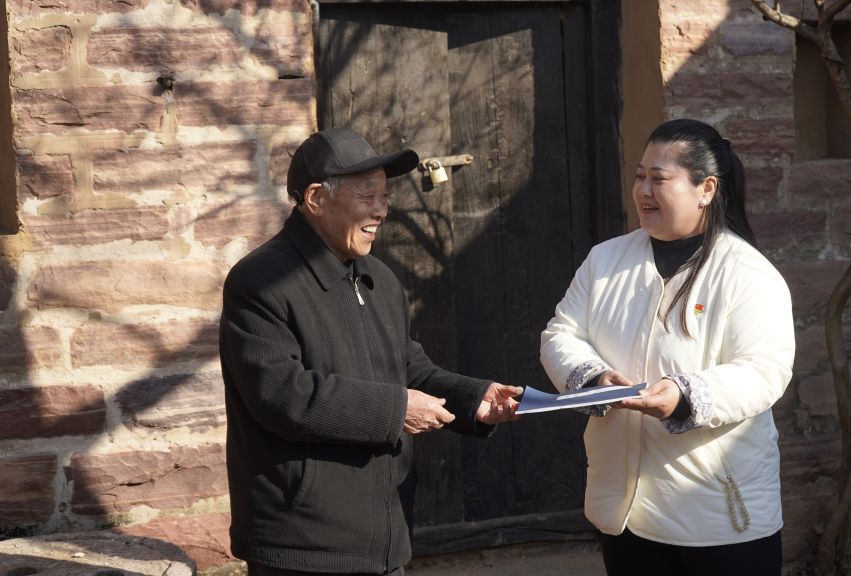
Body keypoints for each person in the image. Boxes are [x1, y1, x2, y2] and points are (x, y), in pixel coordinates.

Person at [220, 127, 522, 576]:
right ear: (316, 199)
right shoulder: (260, 282)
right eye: (367, 197)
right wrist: (396, 410)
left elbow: (409, 369)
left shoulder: (379, 278)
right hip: (303, 543)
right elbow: (283, 395)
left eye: (384, 196)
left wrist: (474, 399)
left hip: (384, 537)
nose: (382, 210)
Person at [540, 119, 795, 575]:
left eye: (659, 179)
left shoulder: (747, 274)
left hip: (718, 518)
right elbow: (561, 334)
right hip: (626, 515)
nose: (643, 190)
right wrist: (593, 378)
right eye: (640, 176)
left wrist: (684, 395)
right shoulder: (606, 260)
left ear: (706, 189)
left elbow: (763, 370)